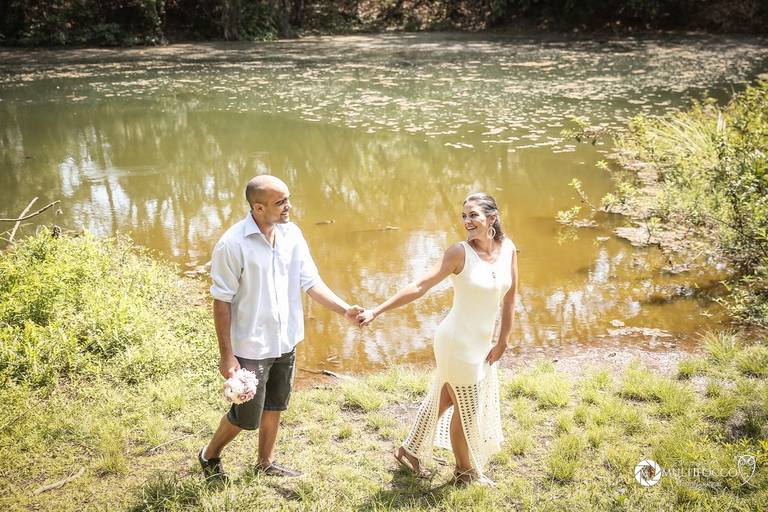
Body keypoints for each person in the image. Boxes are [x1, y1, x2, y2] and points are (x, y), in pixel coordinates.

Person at [199, 175, 362, 480]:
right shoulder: (232, 244)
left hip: (285, 340)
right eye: (280, 202)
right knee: (247, 416)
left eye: (288, 198)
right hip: (250, 345)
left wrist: (345, 310)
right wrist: (227, 355)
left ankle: (265, 462)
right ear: (258, 208)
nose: (289, 206)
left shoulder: (292, 235)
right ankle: (209, 455)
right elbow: (222, 301)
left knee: (275, 404)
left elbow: (310, 282)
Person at [358, 193, 518, 486]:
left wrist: (503, 338)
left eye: (474, 215)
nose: (467, 221)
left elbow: (510, 298)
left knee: (445, 398)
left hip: (482, 342)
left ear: (492, 218)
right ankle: (464, 471)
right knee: (467, 408)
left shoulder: (508, 248)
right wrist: (377, 311)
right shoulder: (459, 253)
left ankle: (409, 450)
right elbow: (420, 285)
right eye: (464, 216)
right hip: (456, 341)